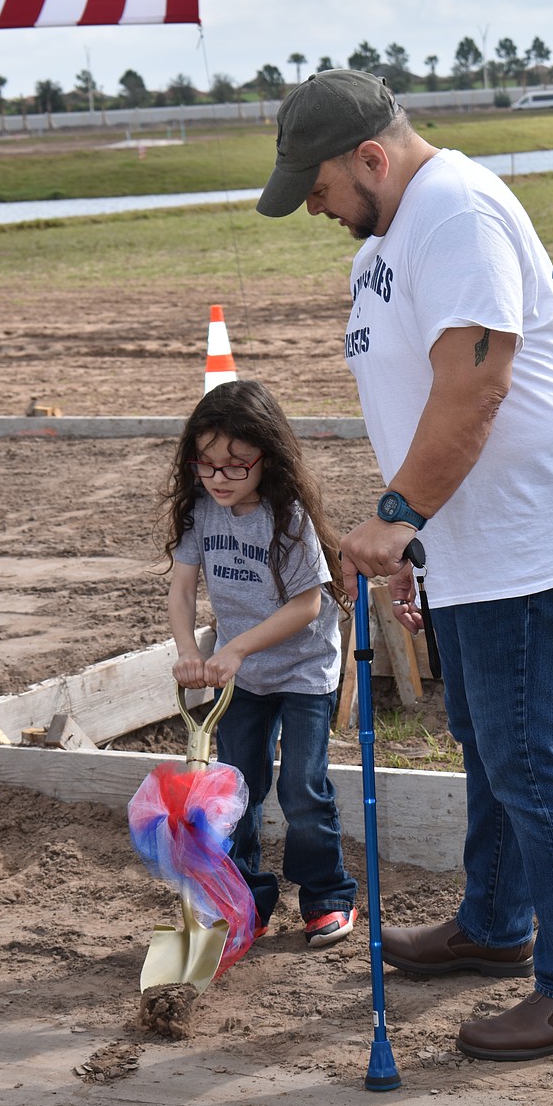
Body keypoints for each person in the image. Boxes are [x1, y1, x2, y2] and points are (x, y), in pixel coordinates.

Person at [256, 70, 553, 1059]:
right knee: (485, 737)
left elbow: (477, 385)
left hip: (535, 544)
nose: (316, 209)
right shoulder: (390, 236)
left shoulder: (456, 211)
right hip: (474, 547)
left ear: (370, 159)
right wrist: (421, 541)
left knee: (527, 758)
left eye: (322, 190)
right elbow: (414, 395)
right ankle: (495, 922)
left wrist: (395, 515)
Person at [162, 379, 358, 948]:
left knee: (302, 787)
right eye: (207, 464)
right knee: (235, 791)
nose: (219, 478)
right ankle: (245, 900)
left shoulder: (286, 518)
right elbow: (180, 589)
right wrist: (188, 652)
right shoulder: (201, 512)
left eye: (235, 465)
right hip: (240, 678)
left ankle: (326, 896)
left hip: (303, 673)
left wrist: (238, 647)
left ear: (264, 460)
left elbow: (308, 604)